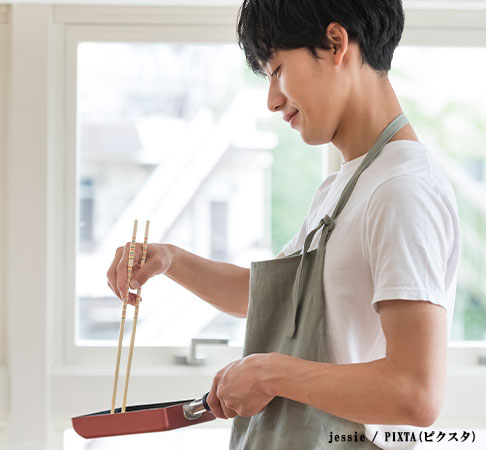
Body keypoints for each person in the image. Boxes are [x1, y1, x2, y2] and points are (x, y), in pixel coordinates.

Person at [106, 0, 460, 449]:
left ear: (335, 44)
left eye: (276, 70)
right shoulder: (345, 186)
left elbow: (415, 393)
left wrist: (269, 373)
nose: (273, 100)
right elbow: (264, 297)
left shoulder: (403, 190)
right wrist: (168, 259)